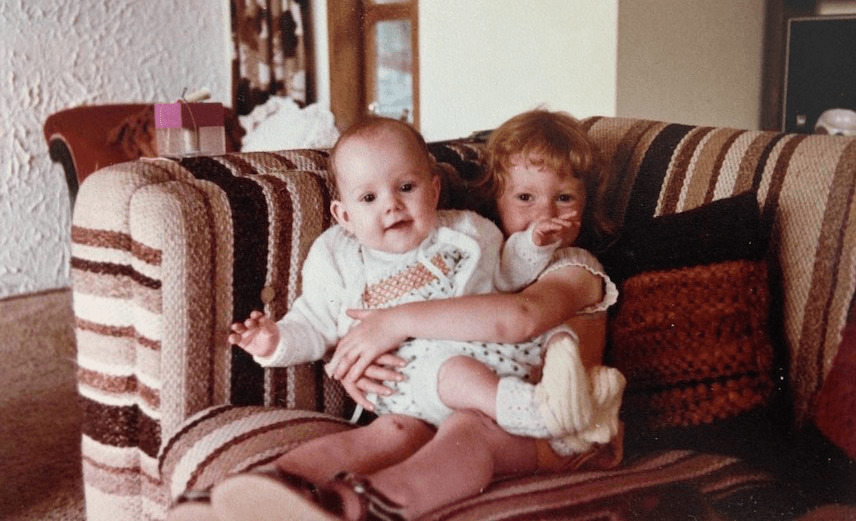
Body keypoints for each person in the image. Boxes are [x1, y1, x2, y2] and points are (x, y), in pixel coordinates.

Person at [169, 109, 625, 521]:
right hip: (430, 398)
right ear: (498, 197)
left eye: (564, 199)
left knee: (469, 427)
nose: (544, 213)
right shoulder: (471, 245)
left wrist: (391, 325)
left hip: (557, 427)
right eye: (525, 197)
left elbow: (519, 315)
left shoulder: (577, 265)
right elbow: (322, 320)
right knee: (390, 432)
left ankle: (353, 506)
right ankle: (262, 488)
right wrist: (346, 358)